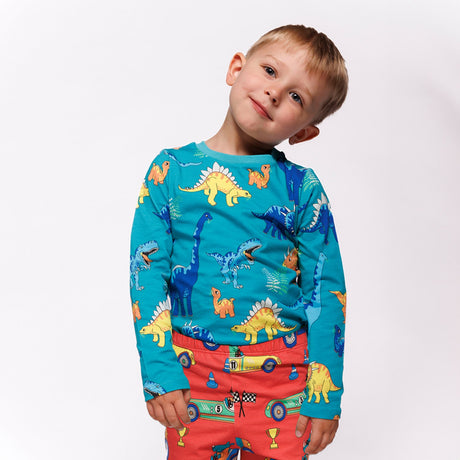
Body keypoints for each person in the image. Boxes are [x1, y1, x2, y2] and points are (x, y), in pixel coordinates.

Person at [130, 24, 348, 459]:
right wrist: (159, 369)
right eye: (270, 71)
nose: (274, 93)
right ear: (236, 68)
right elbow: (146, 275)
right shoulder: (170, 171)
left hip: (283, 377)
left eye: (296, 96)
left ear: (304, 131)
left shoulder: (302, 188)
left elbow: (326, 291)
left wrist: (325, 391)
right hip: (192, 374)